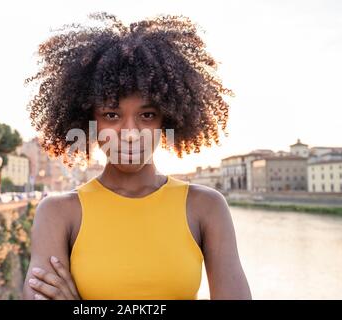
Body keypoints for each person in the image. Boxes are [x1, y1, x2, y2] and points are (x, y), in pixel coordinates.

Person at [23, 12, 251, 300]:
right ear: (88, 121)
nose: (130, 132)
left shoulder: (206, 207)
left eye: (146, 115)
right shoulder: (57, 214)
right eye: (112, 115)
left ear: (166, 120)